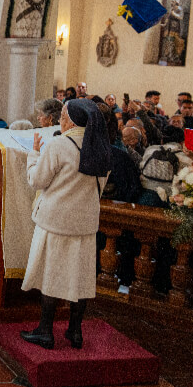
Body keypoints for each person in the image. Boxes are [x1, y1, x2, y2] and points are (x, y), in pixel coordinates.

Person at [21, 99, 111, 350]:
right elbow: (99, 188)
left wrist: (34, 154)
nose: (60, 118)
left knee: (52, 274)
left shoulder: (59, 145)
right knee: (80, 277)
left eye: (62, 114)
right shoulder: (101, 147)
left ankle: (45, 331)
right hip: (85, 222)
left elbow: (37, 180)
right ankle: (75, 331)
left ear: (71, 120)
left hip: (57, 221)